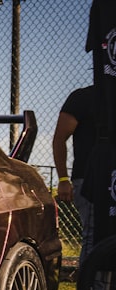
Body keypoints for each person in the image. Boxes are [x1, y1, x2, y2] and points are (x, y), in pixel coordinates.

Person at [52, 85, 97, 266]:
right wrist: (63, 179)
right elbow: (59, 138)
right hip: (88, 179)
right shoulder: (83, 97)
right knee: (94, 234)